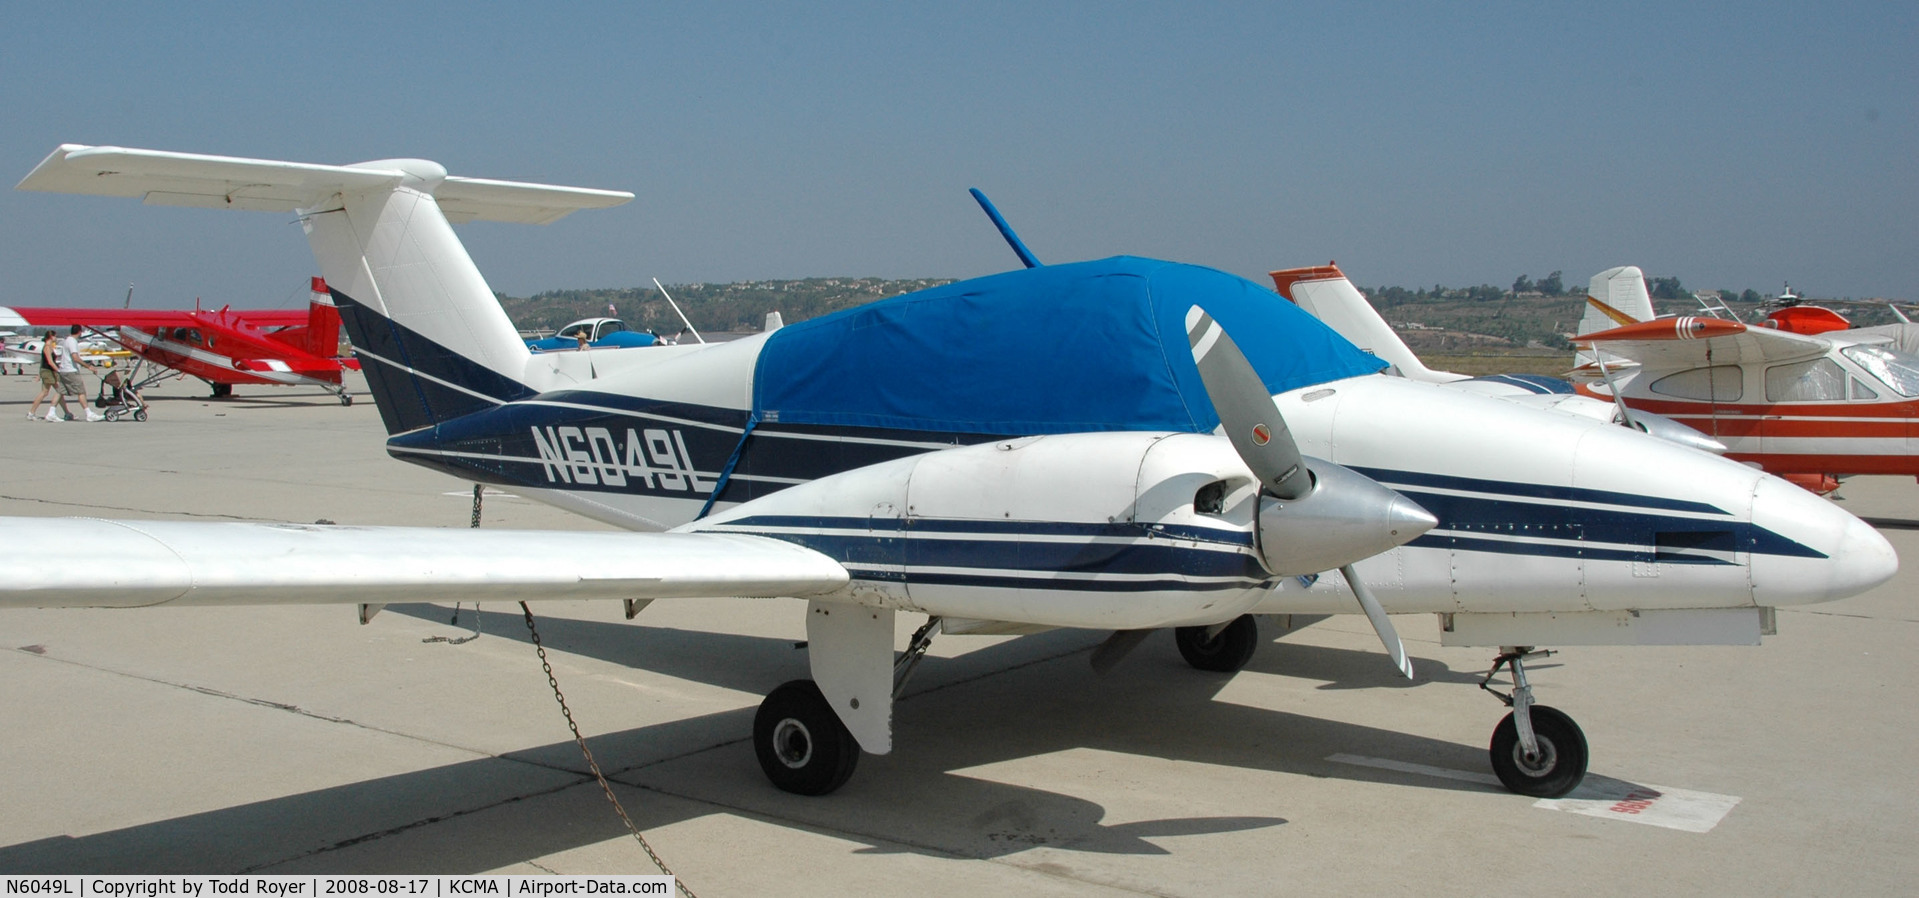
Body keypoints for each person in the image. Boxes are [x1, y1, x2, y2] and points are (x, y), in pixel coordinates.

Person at [54, 324, 104, 422]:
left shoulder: (66, 340)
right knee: (81, 392)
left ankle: (51, 412)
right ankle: (88, 414)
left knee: (60, 392)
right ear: (80, 332)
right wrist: (89, 366)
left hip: (63, 370)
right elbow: (75, 357)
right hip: (71, 370)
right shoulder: (72, 342)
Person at [28, 332, 61, 420]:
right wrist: (59, 371)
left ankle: (67, 412)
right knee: (45, 392)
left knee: (60, 391)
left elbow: (44, 361)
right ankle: (31, 413)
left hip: (50, 371)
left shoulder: (50, 346)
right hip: (48, 372)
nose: (56, 338)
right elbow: (49, 362)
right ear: (51, 337)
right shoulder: (47, 347)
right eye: (55, 336)